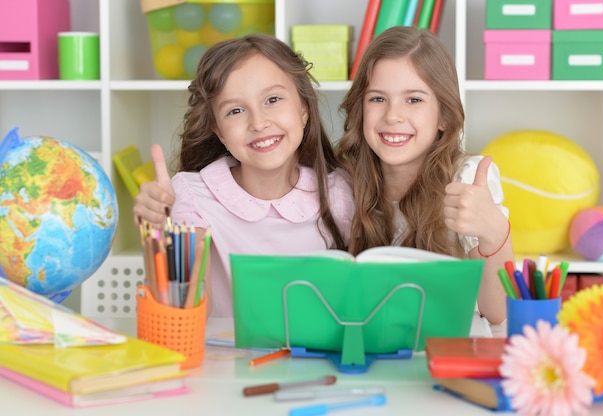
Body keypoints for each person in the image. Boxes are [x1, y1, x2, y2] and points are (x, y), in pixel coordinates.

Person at [133, 34, 354, 317]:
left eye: (273, 99)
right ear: (218, 131)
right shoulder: (191, 196)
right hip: (225, 361)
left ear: (304, 109)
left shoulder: (341, 194)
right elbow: (186, 314)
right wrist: (161, 233)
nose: (259, 123)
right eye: (236, 110)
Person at [336, 27, 513, 326]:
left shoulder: (467, 179)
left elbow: (498, 313)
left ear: (443, 116)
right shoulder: (345, 180)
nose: (393, 116)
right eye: (378, 99)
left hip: (445, 350)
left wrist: (493, 231)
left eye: (414, 100)